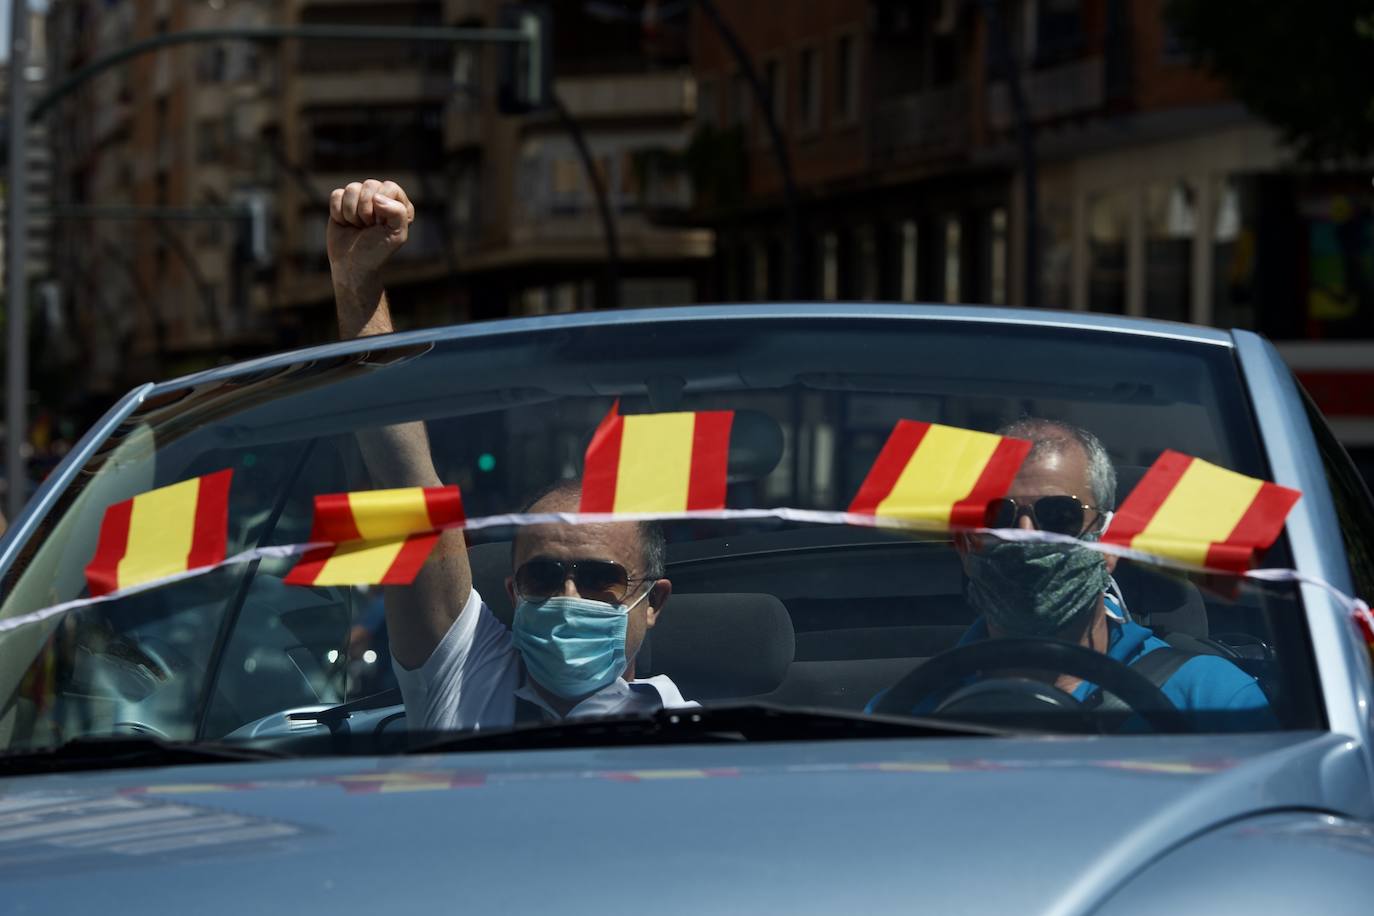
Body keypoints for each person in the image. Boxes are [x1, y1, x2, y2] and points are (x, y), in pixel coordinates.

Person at [326, 178, 693, 730]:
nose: (567, 598)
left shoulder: (697, 741)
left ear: (653, 601)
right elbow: (406, 485)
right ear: (511, 590)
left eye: (600, 579)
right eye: (542, 577)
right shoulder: (466, 673)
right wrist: (358, 287)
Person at [870, 417, 1275, 730]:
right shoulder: (907, 710)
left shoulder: (1210, 698)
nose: (1025, 537)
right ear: (964, 546)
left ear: (1109, 542)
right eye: (998, 517)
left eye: (1058, 516)